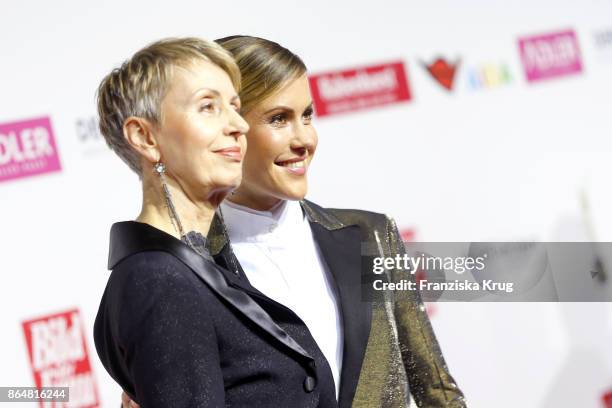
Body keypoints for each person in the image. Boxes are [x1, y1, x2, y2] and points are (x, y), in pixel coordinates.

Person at [121, 35, 467, 408]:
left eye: (307, 115)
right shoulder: (183, 272)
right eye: (279, 119)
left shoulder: (373, 236)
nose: (305, 139)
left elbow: (437, 390)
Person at [94, 37, 338, 407]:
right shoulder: (159, 279)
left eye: (235, 107)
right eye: (208, 107)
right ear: (144, 136)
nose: (238, 125)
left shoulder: (194, 265)